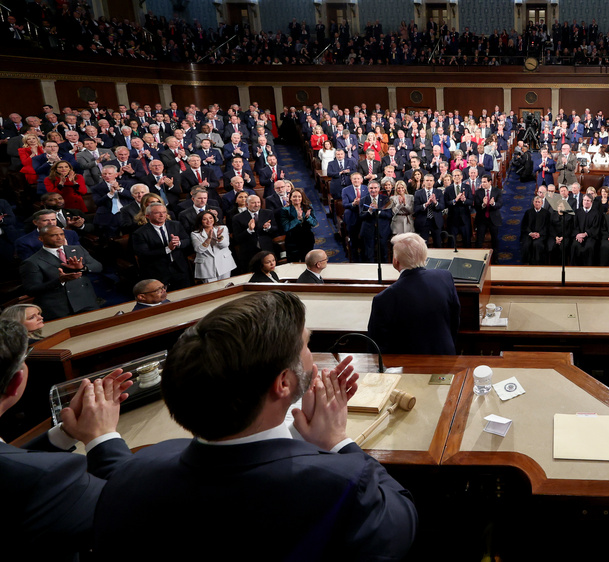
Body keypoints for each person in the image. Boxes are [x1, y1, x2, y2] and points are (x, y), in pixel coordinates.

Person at [92, 291, 417, 559]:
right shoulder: (343, 484)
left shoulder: (130, 474)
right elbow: (401, 521)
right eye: (305, 345)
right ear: (284, 383)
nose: (310, 353)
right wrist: (336, 442)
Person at [0, 317, 133, 558]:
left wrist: (65, 434)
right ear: (15, 383)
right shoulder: (42, 480)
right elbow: (133, 509)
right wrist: (103, 435)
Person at [368, 233, 460, 355]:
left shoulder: (385, 298)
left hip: (409, 365)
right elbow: (455, 319)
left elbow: (377, 345)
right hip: (445, 355)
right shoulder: (445, 277)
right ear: (425, 256)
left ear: (395, 262)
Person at [20, 226, 102, 320]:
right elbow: (31, 290)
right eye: (54, 235)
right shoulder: (32, 262)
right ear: (41, 238)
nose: (60, 238)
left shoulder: (77, 249)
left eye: (62, 234)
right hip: (59, 308)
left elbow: (98, 267)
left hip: (86, 301)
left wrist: (83, 267)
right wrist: (60, 281)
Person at [133, 203, 192, 291]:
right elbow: (144, 254)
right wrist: (168, 249)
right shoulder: (140, 233)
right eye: (157, 213)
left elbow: (187, 240)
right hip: (158, 272)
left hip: (179, 268)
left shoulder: (176, 225)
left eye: (164, 212)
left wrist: (178, 243)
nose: (162, 215)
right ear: (147, 216)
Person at [191, 210, 235, 283]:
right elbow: (199, 250)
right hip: (206, 267)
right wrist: (208, 239)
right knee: (211, 290)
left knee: (226, 287)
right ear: (200, 221)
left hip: (224, 263)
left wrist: (219, 236)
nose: (208, 221)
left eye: (211, 218)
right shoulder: (195, 234)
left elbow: (225, 245)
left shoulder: (222, 228)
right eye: (205, 219)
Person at [282, 188, 318, 263]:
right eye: (294, 196)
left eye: (299, 196)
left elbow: (314, 223)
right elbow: (286, 227)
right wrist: (297, 219)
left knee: (307, 262)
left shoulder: (308, 207)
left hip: (307, 239)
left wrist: (308, 217)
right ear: (290, 198)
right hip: (292, 241)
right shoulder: (285, 210)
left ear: (302, 197)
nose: (297, 199)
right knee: (294, 264)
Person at [473, 174, 503, 252]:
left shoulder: (497, 191)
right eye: (482, 182)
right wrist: (483, 204)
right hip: (482, 220)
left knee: (495, 241)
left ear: (490, 182)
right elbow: (476, 206)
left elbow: (500, 204)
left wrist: (493, 204)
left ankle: (495, 260)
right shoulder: (478, 192)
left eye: (485, 182)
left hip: (493, 219)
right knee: (479, 241)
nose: (482, 184)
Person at [519, 194, 550, 265]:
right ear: (533, 202)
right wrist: (530, 233)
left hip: (541, 236)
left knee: (537, 244)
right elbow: (524, 225)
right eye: (536, 202)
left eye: (539, 202)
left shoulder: (546, 213)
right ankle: (527, 263)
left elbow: (547, 226)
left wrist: (539, 234)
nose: (537, 203)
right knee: (527, 244)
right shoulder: (528, 212)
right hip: (529, 235)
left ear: (542, 203)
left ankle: (538, 263)